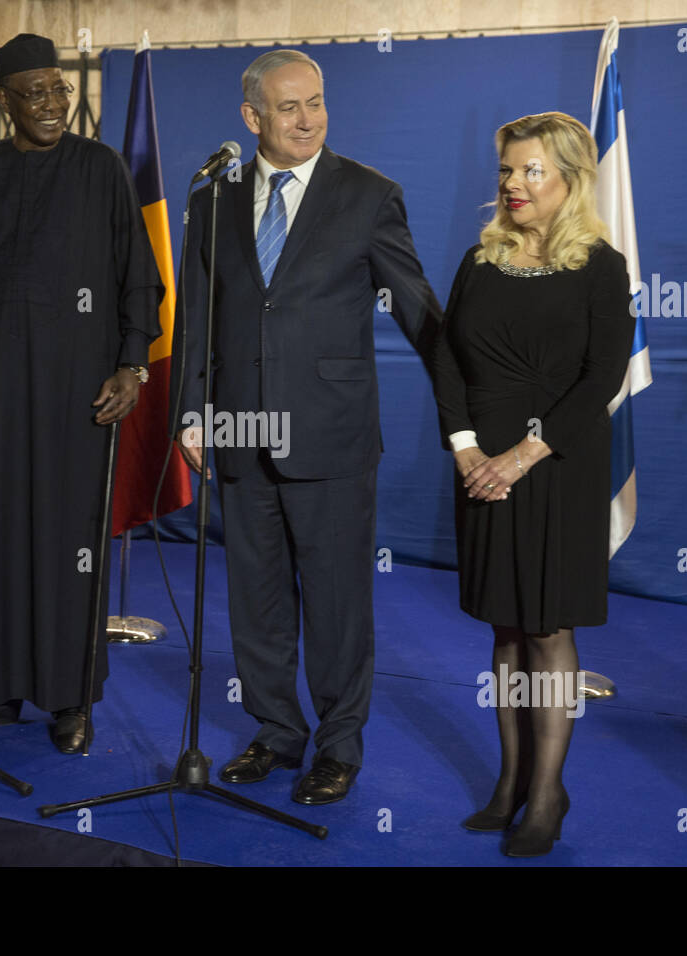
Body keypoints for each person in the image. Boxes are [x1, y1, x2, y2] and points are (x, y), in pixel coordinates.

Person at [173, 49, 441, 805]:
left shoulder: (369, 195)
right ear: (251, 118)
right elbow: (197, 314)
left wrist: (479, 396)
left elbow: (419, 310)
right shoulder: (213, 199)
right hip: (240, 430)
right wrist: (191, 409)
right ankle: (275, 731)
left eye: (316, 102)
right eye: (289, 108)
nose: (308, 119)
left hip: (330, 433)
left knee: (336, 602)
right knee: (255, 599)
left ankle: (338, 746)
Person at [0, 33, 162, 754]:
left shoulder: (102, 168)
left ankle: (70, 699)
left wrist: (131, 365)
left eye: (60, 90)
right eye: (35, 94)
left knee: (66, 540)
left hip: (78, 390)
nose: (52, 105)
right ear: (4, 100)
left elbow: (138, 279)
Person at [430, 112, 635, 855]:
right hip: (481, 465)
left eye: (530, 171)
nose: (513, 185)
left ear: (570, 180)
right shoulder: (480, 259)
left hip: (556, 466)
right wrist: (465, 450)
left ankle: (548, 792)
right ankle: (512, 778)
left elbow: (599, 380)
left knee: (547, 628)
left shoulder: (601, 266)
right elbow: (448, 360)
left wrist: (521, 455)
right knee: (506, 626)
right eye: (507, 172)